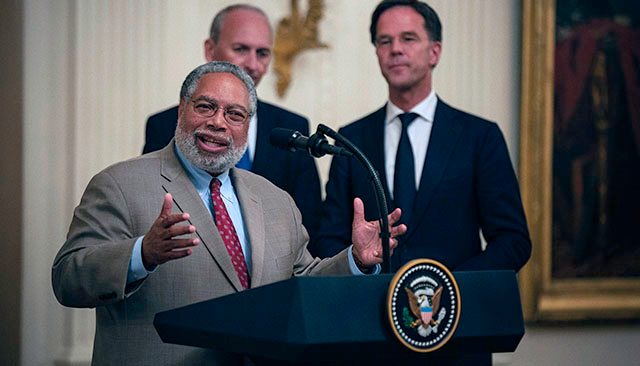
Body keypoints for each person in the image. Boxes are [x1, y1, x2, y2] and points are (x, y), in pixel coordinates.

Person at [52, 61, 405, 366]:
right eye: (206, 107)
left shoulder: (275, 200)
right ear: (181, 110)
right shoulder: (119, 184)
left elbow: (303, 282)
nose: (219, 122)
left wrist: (356, 260)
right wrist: (142, 254)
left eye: (235, 114)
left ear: (248, 127)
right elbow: (68, 278)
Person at [316, 1, 532, 284]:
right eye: (384, 41)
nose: (395, 49)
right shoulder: (351, 138)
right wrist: (359, 266)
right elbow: (328, 238)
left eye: (408, 38)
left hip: (455, 315)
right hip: (369, 314)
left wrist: (448, 289)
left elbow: (512, 240)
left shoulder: (479, 137)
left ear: (435, 52)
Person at [143, 4, 323, 247]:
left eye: (262, 53)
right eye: (240, 49)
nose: (252, 63)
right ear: (210, 49)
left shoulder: (292, 126)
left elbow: (309, 220)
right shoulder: (165, 125)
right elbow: (150, 210)